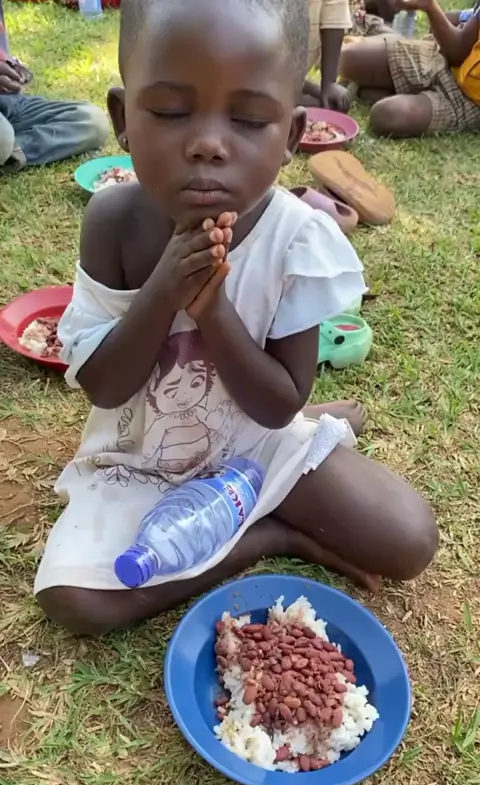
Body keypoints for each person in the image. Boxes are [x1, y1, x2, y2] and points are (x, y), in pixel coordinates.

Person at [34, 0, 438, 636]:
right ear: (122, 118)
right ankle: (269, 535)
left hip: (255, 443)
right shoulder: (113, 222)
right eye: (171, 111)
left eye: (249, 119)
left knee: (409, 539)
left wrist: (213, 311)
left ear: (292, 136)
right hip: (142, 455)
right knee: (75, 601)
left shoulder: (295, 239)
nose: (208, 144)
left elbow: (276, 405)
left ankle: (306, 440)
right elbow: (104, 387)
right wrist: (163, 291)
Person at [339, 0, 480, 136]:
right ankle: (390, 44)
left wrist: (430, 7)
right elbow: (458, 51)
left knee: (386, 115)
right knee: (346, 59)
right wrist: (430, 7)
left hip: (468, 100)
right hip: (446, 58)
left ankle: (398, 87)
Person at [0, 0, 109, 171]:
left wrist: (11, 65)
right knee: (3, 139)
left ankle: (13, 153)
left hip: (11, 104)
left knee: (93, 120)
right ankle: (6, 148)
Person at [302, 0, 353, 110]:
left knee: (332, 103)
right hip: (266, 71)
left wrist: (328, 83)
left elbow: (334, 14)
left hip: (289, 76)